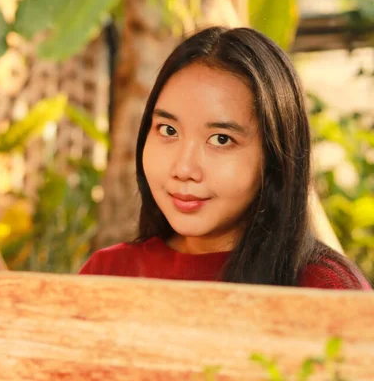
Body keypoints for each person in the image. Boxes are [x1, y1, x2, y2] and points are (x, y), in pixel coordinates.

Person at [80, 26, 371, 290]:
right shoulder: (108, 274)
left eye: (221, 139)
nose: (183, 168)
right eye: (168, 130)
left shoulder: (327, 290)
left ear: (274, 156)